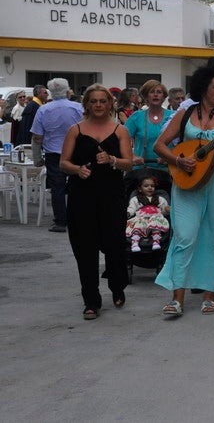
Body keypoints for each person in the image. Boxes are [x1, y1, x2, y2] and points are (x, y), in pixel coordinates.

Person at [153, 60, 214, 317]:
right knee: (184, 236)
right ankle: (176, 297)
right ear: (203, 88)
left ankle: (210, 294)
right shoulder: (184, 114)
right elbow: (160, 145)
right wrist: (177, 160)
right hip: (187, 179)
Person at [60, 84, 133, 320]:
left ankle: (117, 285)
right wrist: (77, 169)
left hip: (112, 196)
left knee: (114, 245)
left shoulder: (120, 130)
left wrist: (112, 159)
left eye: (103, 101)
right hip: (82, 196)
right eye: (94, 101)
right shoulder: (75, 130)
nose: (98, 105)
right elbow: (63, 163)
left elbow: (128, 163)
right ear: (86, 104)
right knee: (84, 249)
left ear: (110, 104)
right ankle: (91, 300)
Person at [31, 78, 84, 232]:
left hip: (54, 153)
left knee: (57, 188)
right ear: (68, 91)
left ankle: (61, 221)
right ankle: (79, 218)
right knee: (78, 185)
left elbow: (37, 137)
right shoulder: (78, 108)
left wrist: (37, 158)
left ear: (49, 93)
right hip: (76, 152)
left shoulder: (43, 109)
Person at [125, 80, 175, 171]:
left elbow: (184, 140)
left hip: (169, 171)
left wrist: (173, 157)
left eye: (159, 92)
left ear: (164, 97)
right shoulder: (136, 116)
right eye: (152, 92)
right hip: (141, 171)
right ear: (146, 97)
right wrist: (132, 156)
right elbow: (123, 139)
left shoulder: (174, 116)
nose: (155, 95)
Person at [126, 175, 170, 252]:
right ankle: (135, 243)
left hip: (155, 217)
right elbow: (132, 208)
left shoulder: (160, 199)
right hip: (142, 218)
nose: (150, 188)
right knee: (138, 225)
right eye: (146, 186)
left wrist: (166, 209)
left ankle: (156, 241)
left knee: (156, 222)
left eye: (152, 186)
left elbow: (163, 211)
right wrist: (128, 213)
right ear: (140, 189)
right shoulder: (136, 199)